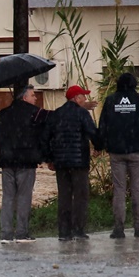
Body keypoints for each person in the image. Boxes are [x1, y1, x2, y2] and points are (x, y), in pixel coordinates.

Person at [99, 72, 139, 239]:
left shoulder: (110, 101)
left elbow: (103, 126)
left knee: (119, 190)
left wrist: (103, 145)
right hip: (137, 151)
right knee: (137, 189)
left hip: (117, 152)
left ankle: (118, 228)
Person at [42, 85, 102, 241]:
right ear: (76, 98)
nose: (85, 99)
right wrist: (99, 147)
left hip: (61, 164)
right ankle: (78, 230)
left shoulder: (56, 114)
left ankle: (64, 232)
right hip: (79, 163)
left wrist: (49, 159)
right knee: (81, 196)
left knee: (64, 197)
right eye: (83, 96)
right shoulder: (82, 114)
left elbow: (45, 138)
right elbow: (92, 132)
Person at [0, 84, 49, 244]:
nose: (35, 98)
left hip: (7, 161)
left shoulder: (1, 114)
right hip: (26, 161)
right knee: (24, 197)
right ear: (24, 98)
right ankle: (22, 233)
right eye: (33, 95)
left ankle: (6, 233)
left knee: (8, 197)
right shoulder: (35, 113)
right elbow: (44, 132)